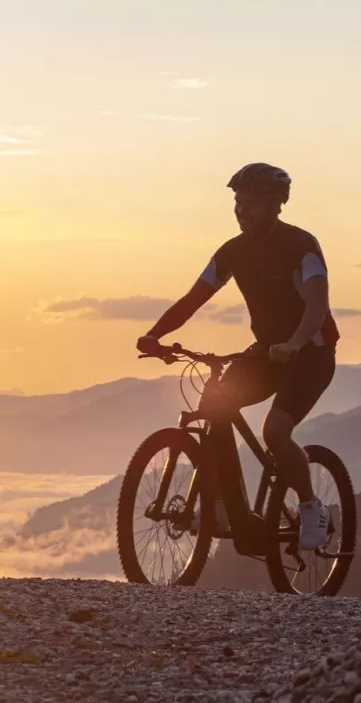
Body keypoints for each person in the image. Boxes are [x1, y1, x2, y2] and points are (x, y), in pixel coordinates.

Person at [136, 162, 339, 550]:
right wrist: (154, 335)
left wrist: (295, 343)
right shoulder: (234, 251)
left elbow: (317, 305)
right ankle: (225, 506)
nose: (241, 210)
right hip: (266, 354)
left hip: (310, 354)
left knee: (275, 431)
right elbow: (193, 299)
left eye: (250, 203)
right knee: (214, 407)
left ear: (275, 204)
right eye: (237, 201)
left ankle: (311, 506)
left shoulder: (302, 246)